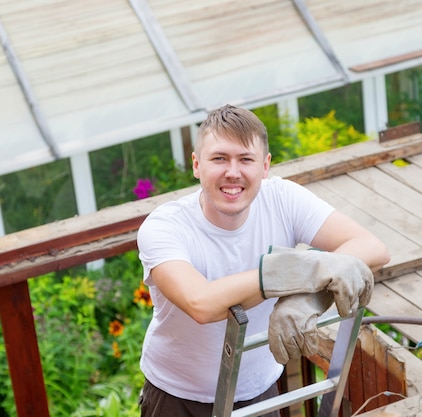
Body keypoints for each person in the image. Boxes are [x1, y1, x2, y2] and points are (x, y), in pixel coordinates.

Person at [136, 104, 390, 417]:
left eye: (246, 159)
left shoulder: (282, 199)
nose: (233, 172)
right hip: (177, 398)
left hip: (258, 390)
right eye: (219, 158)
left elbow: (373, 247)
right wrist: (298, 271)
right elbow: (200, 303)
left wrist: (308, 297)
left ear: (265, 166)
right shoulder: (165, 226)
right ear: (197, 164)